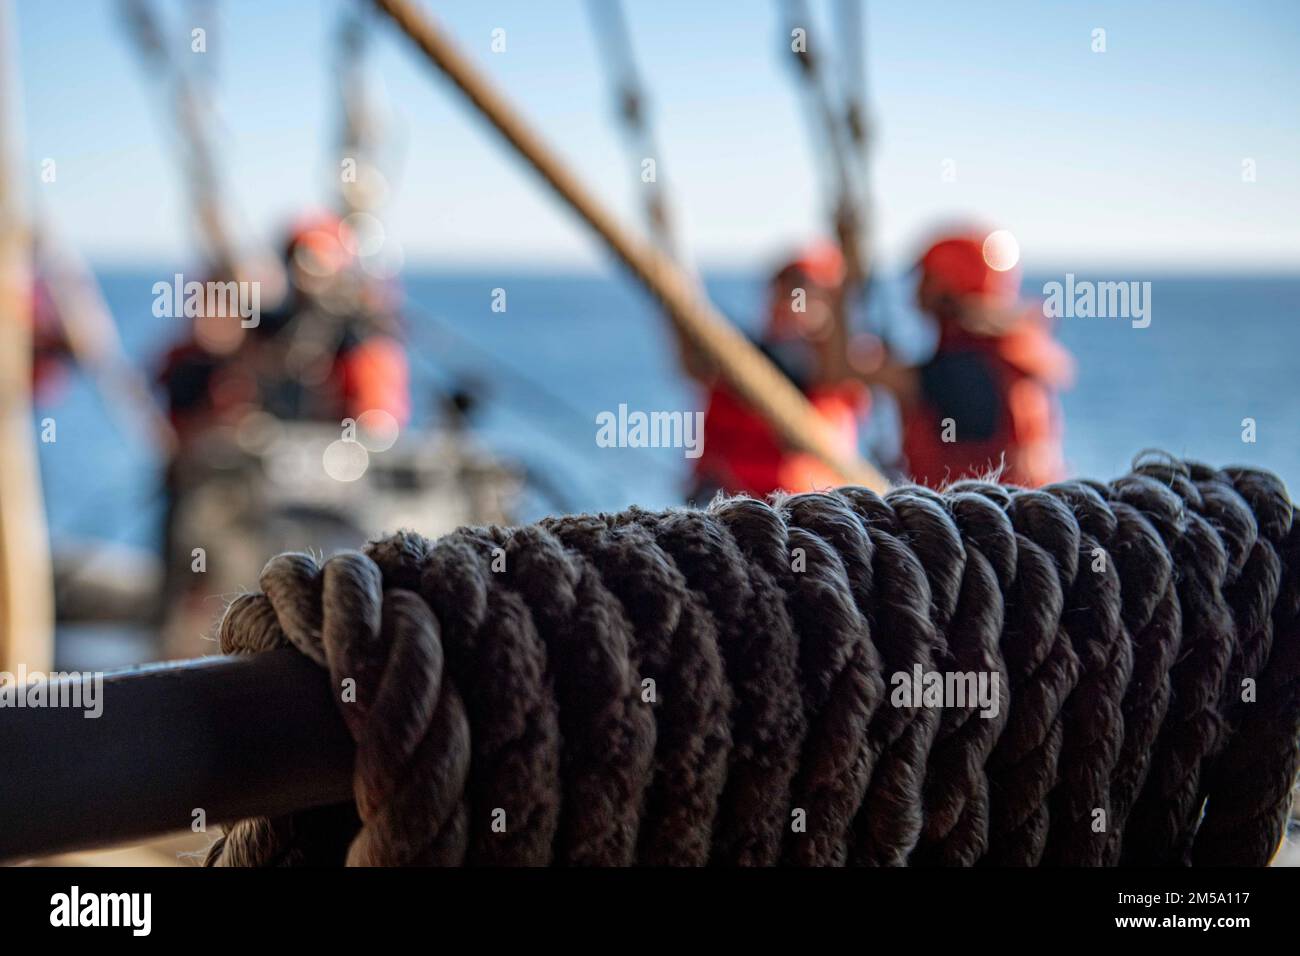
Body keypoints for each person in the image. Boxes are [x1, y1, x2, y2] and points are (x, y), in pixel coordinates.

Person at [853, 229, 1073, 488]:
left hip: (972, 524)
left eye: (925, 278)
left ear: (946, 286)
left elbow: (849, 371)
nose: (916, 291)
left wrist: (844, 282)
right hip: (1014, 517)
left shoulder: (961, 371)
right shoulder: (1002, 358)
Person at [678, 242, 870, 499]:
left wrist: (849, 248)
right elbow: (694, 357)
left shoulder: (842, 371)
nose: (791, 302)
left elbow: (835, 369)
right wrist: (673, 255)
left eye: (802, 292)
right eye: (784, 290)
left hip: (804, 514)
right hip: (727, 509)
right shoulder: (738, 362)